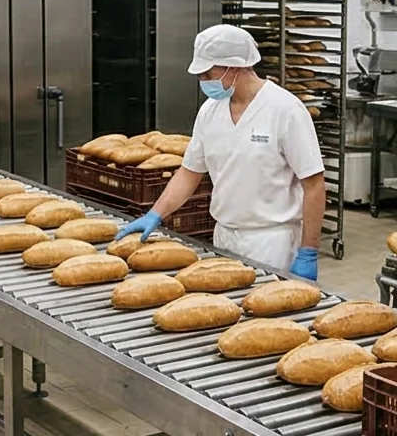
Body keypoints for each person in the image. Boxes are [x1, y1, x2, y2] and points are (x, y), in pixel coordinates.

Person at [117, 24, 326, 280]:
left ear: (235, 65)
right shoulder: (210, 110)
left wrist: (308, 251)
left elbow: (313, 184)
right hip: (224, 235)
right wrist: (155, 214)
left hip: (272, 241)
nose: (203, 81)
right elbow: (189, 172)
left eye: (208, 74)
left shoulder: (285, 110)